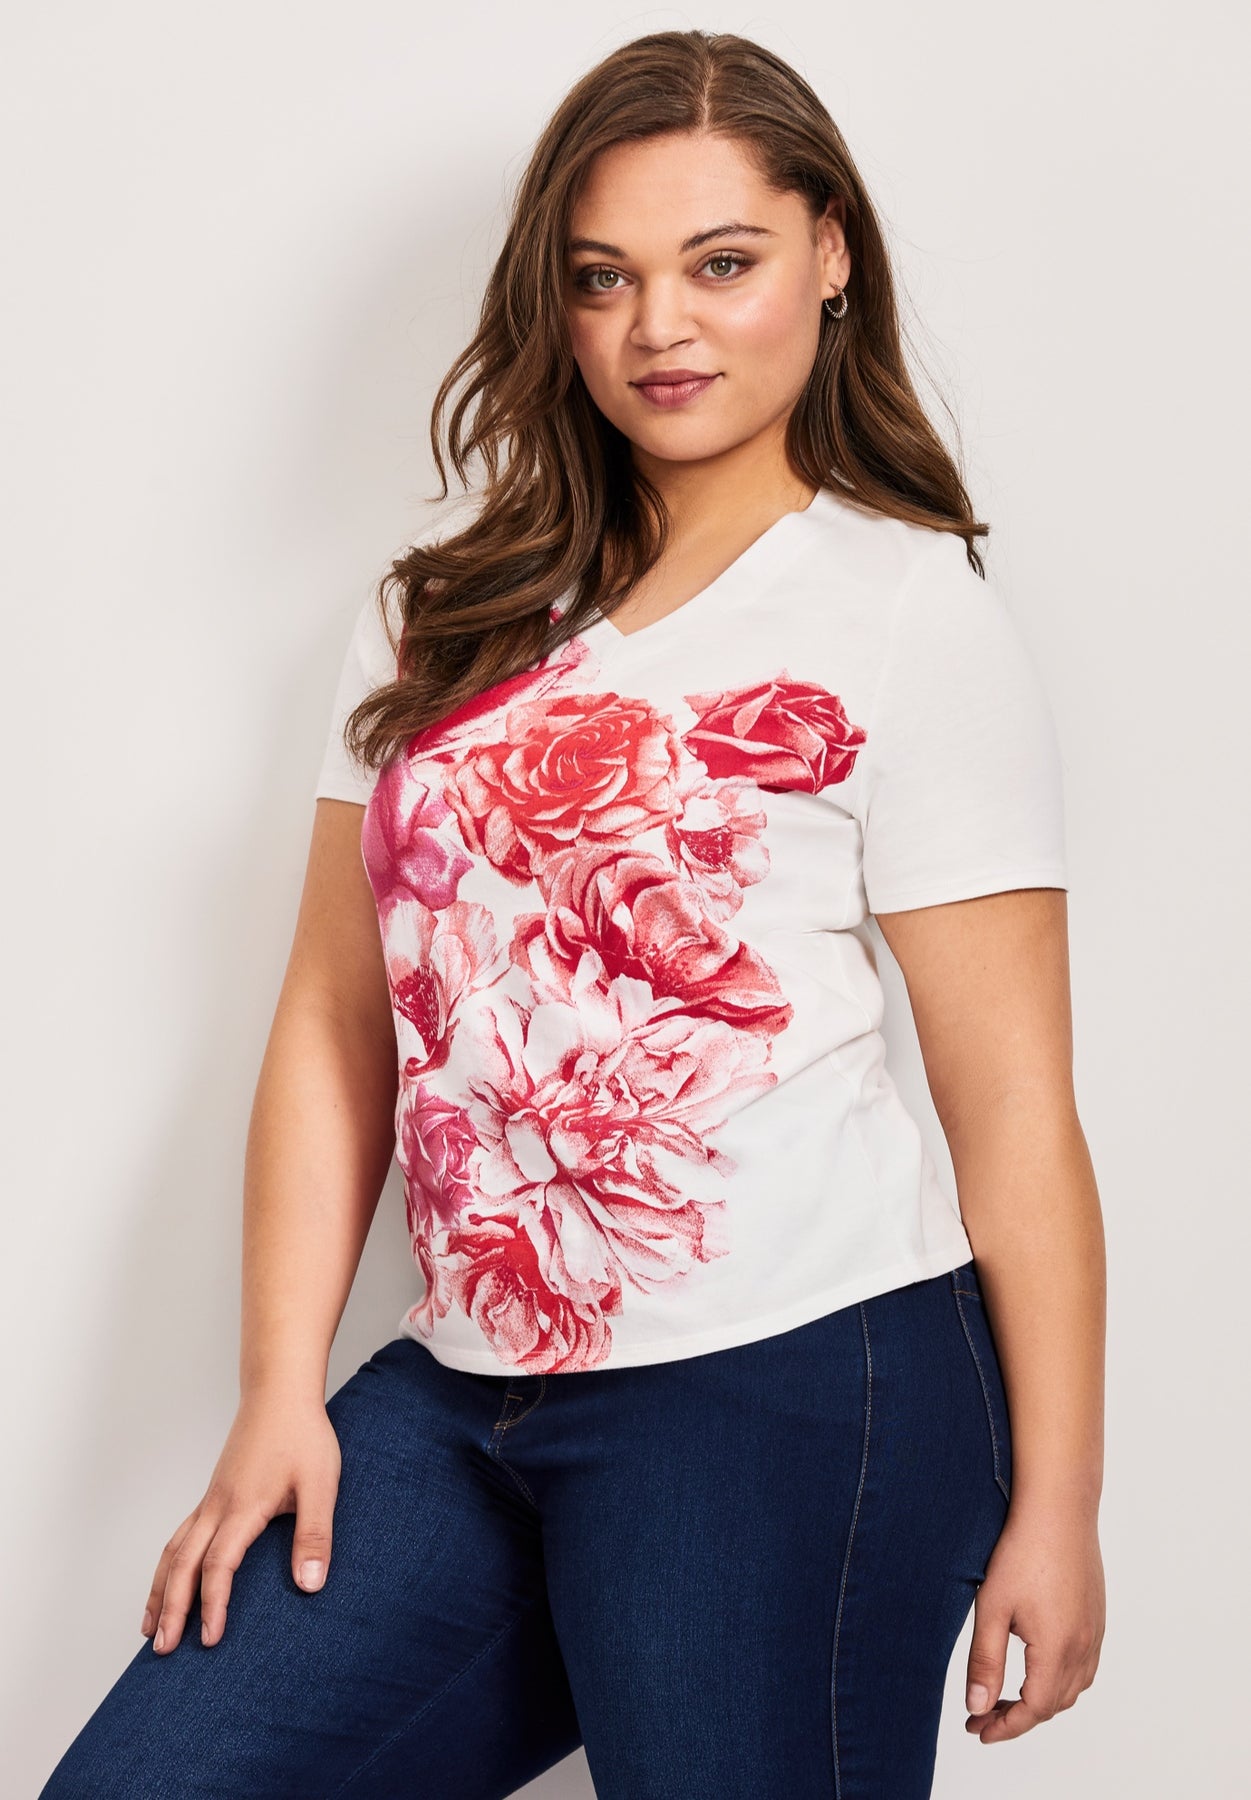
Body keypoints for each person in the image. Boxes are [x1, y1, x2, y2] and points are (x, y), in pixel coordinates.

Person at [39, 26, 1106, 1800]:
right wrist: (280, 1386)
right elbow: (333, 1021)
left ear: (831, 255)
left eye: (721, 264)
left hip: (795, 1388)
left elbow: (1014, 1113)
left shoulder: (909, 617)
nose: (658, 327)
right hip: (465, 1392)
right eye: (604, 278)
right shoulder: (439, 615)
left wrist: (1060, 1504)